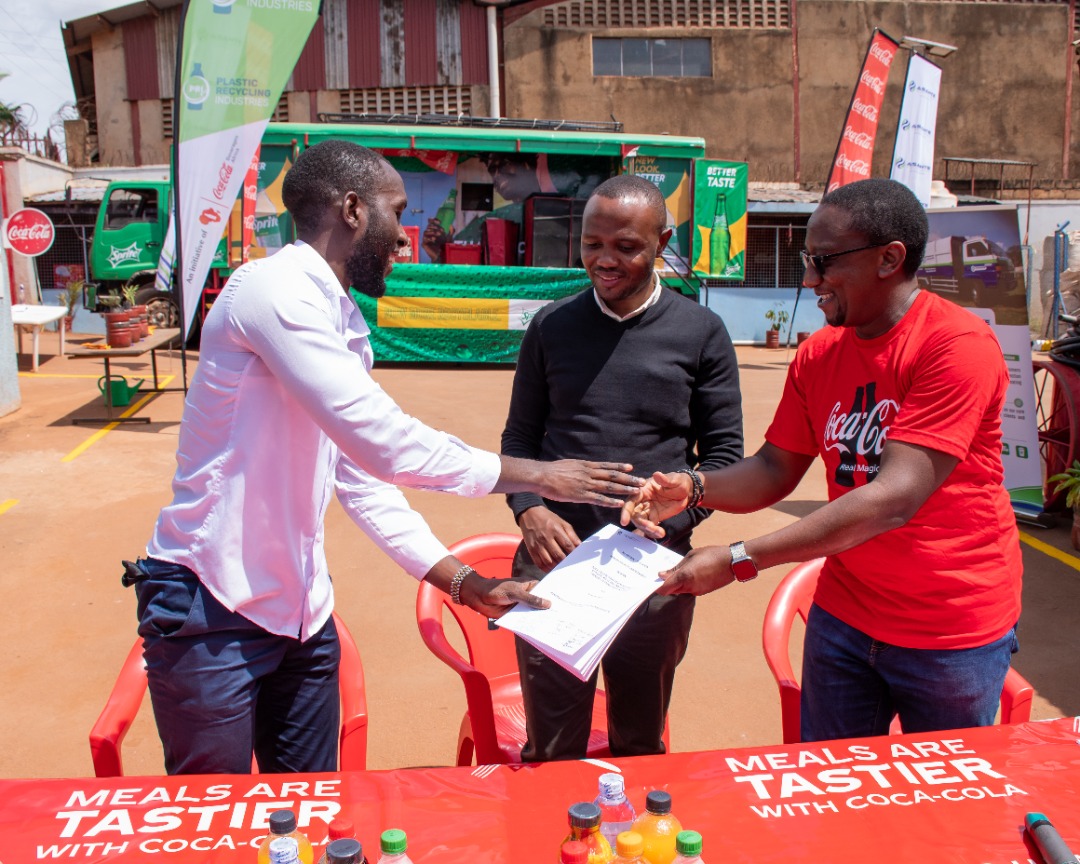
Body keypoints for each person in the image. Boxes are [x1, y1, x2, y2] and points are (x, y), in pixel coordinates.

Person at [125, 140, 645, 775]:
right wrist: (539, 473)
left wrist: (468, 585)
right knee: (217, 822)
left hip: (301, 614)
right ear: (352, 209)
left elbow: (363, 479)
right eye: (397, 211)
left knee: (313, 810)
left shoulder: (338, 316)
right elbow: (384, 442)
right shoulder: (273, 290)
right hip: (211, 610)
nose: (407, 234)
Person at [622, 178, 1022, 742]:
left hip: (948, 627)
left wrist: (740, 558)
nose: (810, 279)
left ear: (890, 258)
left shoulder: (956, 347)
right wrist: (693, 487)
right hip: (846, 617)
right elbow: (772, 470)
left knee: (940, 810)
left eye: (825, 262)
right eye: (808, 259)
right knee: (831, 789)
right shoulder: (819, 354)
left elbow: (892, 500)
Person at [501, 174, 743, 760]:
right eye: (592, 244)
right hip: (551, 562)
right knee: (552, 747)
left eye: (626, 247)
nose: (605, 261)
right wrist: (529, 508)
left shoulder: (701, 332)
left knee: (638, 740)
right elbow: (520, 438)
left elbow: (724, 461)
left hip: (653, 572)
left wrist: (674, 519)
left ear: (662, 242)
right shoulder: (552, 326)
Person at [421, 152, 608, 262]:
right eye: (492, 170)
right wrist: (441, 251)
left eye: (502, 166)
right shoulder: (495, 218)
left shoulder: (568, 207)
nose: (496, 176)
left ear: (529, 164)